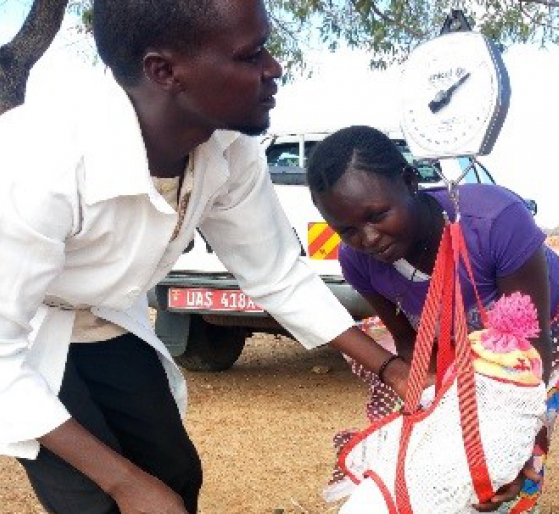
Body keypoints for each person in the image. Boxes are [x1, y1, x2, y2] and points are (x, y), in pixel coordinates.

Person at [0, 1, 411, 513]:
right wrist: (125, 484)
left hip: (106, 318)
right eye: (250, 54)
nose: (274, 68)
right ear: (164, 71)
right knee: (94, 500)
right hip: (25, 331)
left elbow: (277, 272)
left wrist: (395, 371)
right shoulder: (38, 159)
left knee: (174, 476)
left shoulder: (229, 152)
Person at [307, 126, 559, 513]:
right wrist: (432, 406)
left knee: (501, 474)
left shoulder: (495, 221)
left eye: (377, 215)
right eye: (346, 230)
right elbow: (407, 339)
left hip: (526, 334)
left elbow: (530, 357)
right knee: (423, 450)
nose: (369, 239)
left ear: (411, 180)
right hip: (438, 330)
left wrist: (515, 451)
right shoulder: (358, 262)